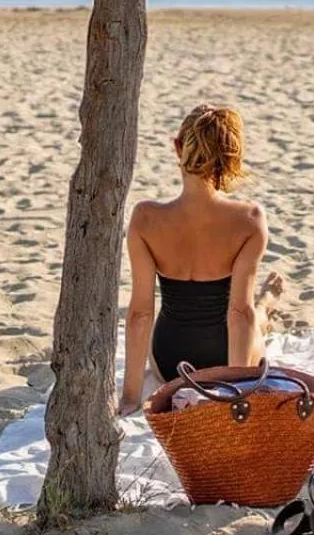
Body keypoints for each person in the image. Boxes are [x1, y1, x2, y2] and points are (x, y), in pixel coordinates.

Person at [117, 105, 283, 415]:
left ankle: (266, 306)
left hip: (171, 364)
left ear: (177, 147)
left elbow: (140, 313)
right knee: (254, 319)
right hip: (224, 360)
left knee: (246, 319)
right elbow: (239, 314)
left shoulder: (145, 218)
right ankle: (266, 305)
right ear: (230, 158)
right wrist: (236, 395)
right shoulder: (249, 219)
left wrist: (130, 398)